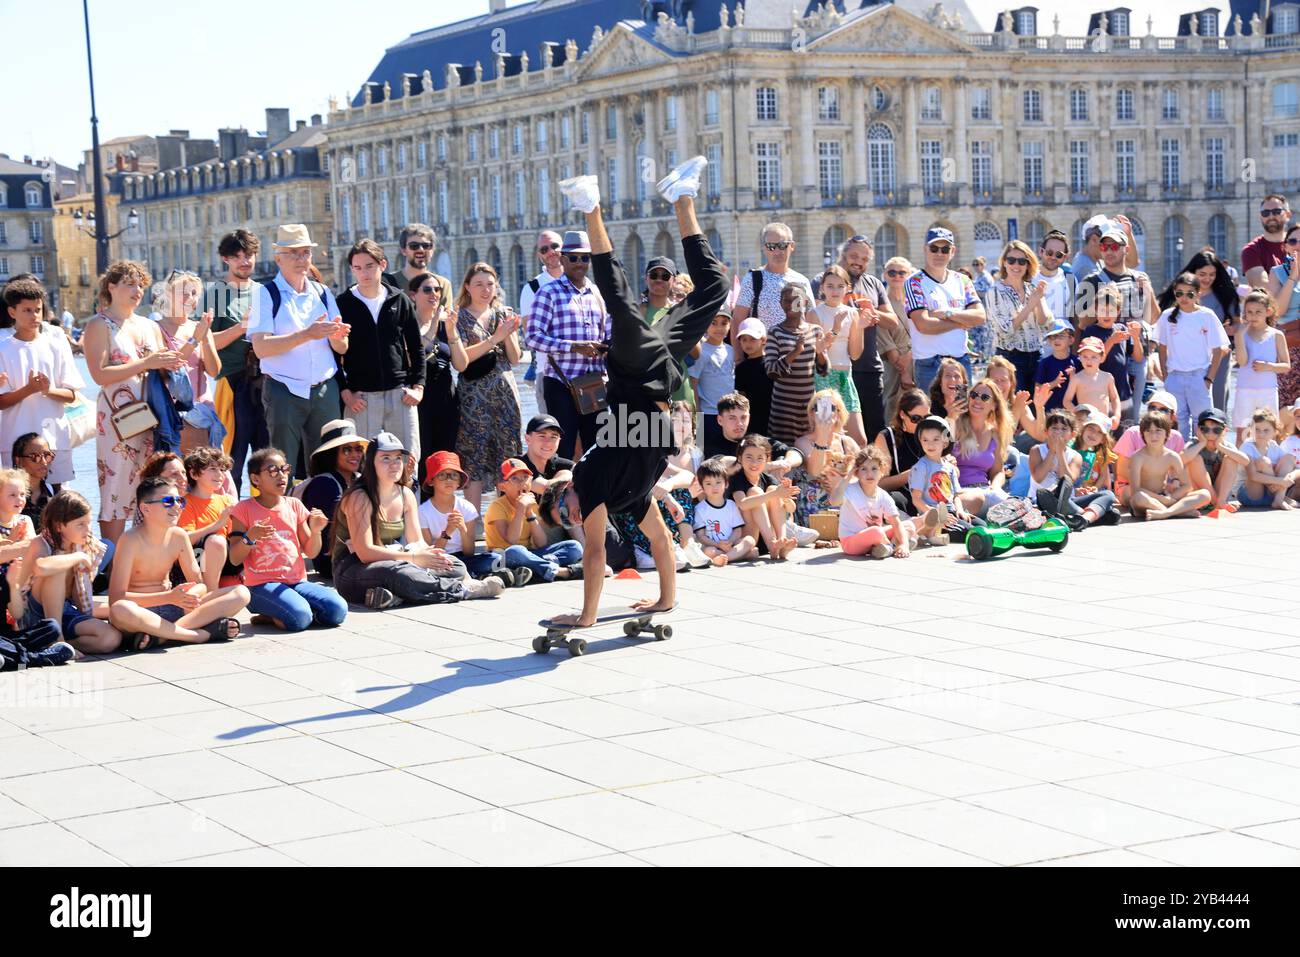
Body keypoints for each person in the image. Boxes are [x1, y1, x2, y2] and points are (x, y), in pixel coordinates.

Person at [549, 156, 729, 625]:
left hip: (632, 372)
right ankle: (681, 196)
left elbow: (594, 555)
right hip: (657, 375)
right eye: (572, 511)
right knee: (715, 286)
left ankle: (590, 206)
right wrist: (664, 602)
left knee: (622, 303)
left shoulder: (588, 479)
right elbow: (662, 541)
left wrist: (584, 619)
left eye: (567, 507)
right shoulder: (635, 495)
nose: (573, 511)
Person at [331, 433, 502, 609]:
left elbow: (416, 541)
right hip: (353, 570)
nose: (394, 464)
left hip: (394, 558)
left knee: (455, 565)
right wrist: (414, 558)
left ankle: (395, 596)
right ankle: (464, 590)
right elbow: (365, 553)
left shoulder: (406, 494)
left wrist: (431, 556)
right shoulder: (359, 497)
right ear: (370, 463)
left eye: (398, 458)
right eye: (385, 458)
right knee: (397, 574)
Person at [84, 261, 180, 544]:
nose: (137, 290)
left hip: (152, 416)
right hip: (118, 419)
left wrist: (170, 363)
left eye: (140, 284)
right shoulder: (99, 325)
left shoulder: (150, 325)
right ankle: (113, 563)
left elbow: (160, 367)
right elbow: (99, 374)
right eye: (129, 283)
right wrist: (147, 361)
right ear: (111, 287)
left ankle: (149, 557)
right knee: (115, 489)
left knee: (152, 485)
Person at [247, 224, 349, 483]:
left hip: (324, 389)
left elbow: (341, 348)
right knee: (281, 466)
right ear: (278, 258)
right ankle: (284, 519)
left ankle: (325, 519)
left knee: (328, 464)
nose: (301, 259)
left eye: (305, 253)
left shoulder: (323, 293)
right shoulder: (265, 294)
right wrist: (307, 334)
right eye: (293, 253)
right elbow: (261, 348)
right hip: (284, 389)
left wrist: (338, 338)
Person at [107, 476, 249, 649]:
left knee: (241, 593)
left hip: (175, 608)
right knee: (120, 610)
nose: (176, 506)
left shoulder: (179, 536)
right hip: (142, 613)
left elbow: (200, 584)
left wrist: (191, 596)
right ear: (145, 508)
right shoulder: (130, 540)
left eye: (179, 501)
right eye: (168, 501)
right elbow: (115, 598)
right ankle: (196, 635)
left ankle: (161, 638)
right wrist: (168, 597)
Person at [225, 447, 347, 631]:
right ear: (255, 479)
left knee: (338, 610)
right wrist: (249, 537)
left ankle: (280, 611)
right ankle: (284, 610)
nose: (281, 476)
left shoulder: (295, 505)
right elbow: (235, 558)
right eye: (273, 471)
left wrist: (316, 531)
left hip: (297, 582)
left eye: (284, 469)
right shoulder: (244, 509)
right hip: (260, 586)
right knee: (300, 618)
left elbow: (311, 551)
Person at [443, 261, 523, 519]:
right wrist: (494, 339)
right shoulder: (459, 317)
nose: (485, 290)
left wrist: (509, 332)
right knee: (474, 456)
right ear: (467, 286)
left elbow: (514, 358)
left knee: (507, 454)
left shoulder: (501, 314)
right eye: (479, 284)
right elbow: (460, 361)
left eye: (490, 284)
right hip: (474, 398)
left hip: (505, 394)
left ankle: (508, 520)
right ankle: (473, 521)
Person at [336, 239, 425, 465]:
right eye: (357, 268)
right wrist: (345, 391)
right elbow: (333, 353)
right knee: (361, 464)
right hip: (361, 397)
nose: (364, 273)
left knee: (408, 462)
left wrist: (418, 387)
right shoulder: (343, 304)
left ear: (382, 265)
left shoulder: (400, 300)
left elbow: (416, 347)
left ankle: (407, 501)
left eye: (369, 266)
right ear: (352, 270)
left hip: (400, 394)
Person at [524, 230, 610, 461]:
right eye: (573, 258)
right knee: (562, 448)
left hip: (594, 385)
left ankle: (591, 496)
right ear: (562, 259)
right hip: (561, 383)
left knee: (597, 450)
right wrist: (573, 346)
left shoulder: (597, 294)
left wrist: (605, 347)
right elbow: (532, 337)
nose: (579, 263)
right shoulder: (548, 292)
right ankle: (561, 496)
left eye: (585, 258)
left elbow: (609, 334)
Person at [0, 279, 83, 486]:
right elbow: (1, 401)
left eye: (37, 310)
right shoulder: (3, 347)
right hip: (14, 440)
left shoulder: (57, 343)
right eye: (27, 310)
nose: (34, 316)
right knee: (19, 500)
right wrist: (29, 389)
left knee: (58, 500)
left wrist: (48, 390)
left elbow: (71, 394)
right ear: (12, 312)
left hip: (55, 438)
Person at [16, 489, 120, 654]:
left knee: (110, 638)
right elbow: (42, 567)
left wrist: (90, 617)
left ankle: (60, 645)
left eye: (88, 523)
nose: (87, 530)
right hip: (32, 615)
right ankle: (56, 640)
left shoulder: (82, 545)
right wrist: (78, 556)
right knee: (57, 568)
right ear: (59, 526)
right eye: (80, 524)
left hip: (63, 609)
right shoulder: (41, 543)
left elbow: (79, 593)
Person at [814, 236, 896, 440]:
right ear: (843, 255)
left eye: (865, 259)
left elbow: (892, 321)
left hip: (868, 367)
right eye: (854, 256)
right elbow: (816, 320)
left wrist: (873, 312)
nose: (859, 261)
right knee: (832, 433)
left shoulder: (873, 283)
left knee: (872, 432)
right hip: (830, 372)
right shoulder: (823, 280)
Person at [205, 230, 267, 491]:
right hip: (232, 384)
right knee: (232, 459)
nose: (245, 261)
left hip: (265, 382)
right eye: (238, 256)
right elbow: (205, 342)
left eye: (249, 255)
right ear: (225, 259)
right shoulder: (216, 294)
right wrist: (242, 328)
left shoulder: (264, 291)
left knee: (267, 459)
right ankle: (230, 522)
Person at [418, 450, 523, 587]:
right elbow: (428, 554)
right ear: (432, 481)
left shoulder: (466, 507)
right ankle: (480, 576)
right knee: (430, 569)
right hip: (439, 560)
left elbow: (469, 552)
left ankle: (477, 576)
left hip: (464, 558)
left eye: (454, 475)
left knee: (495, 558)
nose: (449, 479)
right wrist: (447, 532)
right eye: (442, 475)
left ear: (459, 482)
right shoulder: (423, 511)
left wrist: (462, 529)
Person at [904, 228, 986, 390]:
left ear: (952, 251)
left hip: (960, 361)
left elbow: (980, 316)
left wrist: (947, 314)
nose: (939, 254)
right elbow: (924, 325)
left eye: (945, 249)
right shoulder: (914, 282)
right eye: (934, 248)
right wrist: (961, 322)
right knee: (933, 414)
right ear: (925, 250)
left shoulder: (962, 280)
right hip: (930, 363)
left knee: (962, 413)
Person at [1154, 272, 1231, 441]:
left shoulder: (1206, 315)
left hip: (1199, 375)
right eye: (1179, 293)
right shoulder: (1167, 316)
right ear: (1174, 293)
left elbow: (1219, 350)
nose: (1184, 298)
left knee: (1202, 421)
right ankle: (1181, 460)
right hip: (1175, 376)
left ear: (1198, 294)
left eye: (1190, 293)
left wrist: (1209, 379)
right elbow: (1162, 347)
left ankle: (1200, 460)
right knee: (1178, 421)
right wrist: (1166, 376)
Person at [154, 271, 221, 452]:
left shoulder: (198, 327)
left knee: (208, 471)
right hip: (174, 412)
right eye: (183, 293)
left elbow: (214, 371)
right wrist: (195, 339)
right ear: (169, 294)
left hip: (204, 410)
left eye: (193, 293)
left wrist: (205, 337)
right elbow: (169, 367)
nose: (189, 298)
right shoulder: (156, 328)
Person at [485, 458, 582, 582]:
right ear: (502, 487)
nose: (522, 483)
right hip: (503, 556)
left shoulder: (532, 505)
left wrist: (530, 513)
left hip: (528, 555)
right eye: (514, 479)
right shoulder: (497, 506)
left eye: (525, 477)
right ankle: (558, 571)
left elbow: (541, 543)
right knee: (516, 550)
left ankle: (534, 569)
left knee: (574, 547)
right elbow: (512, 540)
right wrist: (520, 509)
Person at [292, 420, 366, 579]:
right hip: (331, 559)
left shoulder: (358, 479)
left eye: (358, 449)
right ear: (332, 453)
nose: (354, 454)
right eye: (346, 450)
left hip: (356, 549)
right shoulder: (324, 484)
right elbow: (341, 525)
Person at [407, 271, 459, 487]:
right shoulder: (407, 325)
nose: (434, 294)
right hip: (420, 400)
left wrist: (452, 331)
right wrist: (436, 320)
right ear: (413, 295)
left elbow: (461, 364)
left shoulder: (446, 326)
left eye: (437, 289)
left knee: (445, 458)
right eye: (427, 289)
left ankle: (443, 509)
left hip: (446, 399)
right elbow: (414, 353)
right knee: (423, 456)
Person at [811, 265, 867, 444]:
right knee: (827, 437)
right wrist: (835, 329)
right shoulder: (814, 313)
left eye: (840, 286)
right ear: (822, 288)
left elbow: (856, 354)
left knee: (859, 439)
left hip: (846, 377)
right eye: (830, 286)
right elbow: (817, 351)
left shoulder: (852, 313)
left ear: (848, 288)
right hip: (823, 380)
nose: (835, 291)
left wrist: (861, 328)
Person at [765, 284, 827, 445]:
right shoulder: (775, 332)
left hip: (808, 408)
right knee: (783, 455)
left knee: (809, 454)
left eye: (796, 300)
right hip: (783, 409)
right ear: (780, 303)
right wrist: (795, 352)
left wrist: (820, 353)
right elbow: (771, 371)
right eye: (786, 300)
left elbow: (824, 371)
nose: (790, 304)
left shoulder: (816, 331)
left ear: (805, 301)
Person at [730, 222, 814, 339]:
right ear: (764, 248)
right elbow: (737, 320)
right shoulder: (752, 279)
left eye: (782, 245)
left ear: (792, 246)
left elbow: (811, 320)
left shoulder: (802, 281)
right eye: (771, 246)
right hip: (762, 353)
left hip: (796, 351)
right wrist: (739, 356)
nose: (777, 251)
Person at [987, 241, 1052, 393]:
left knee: (1036, 408)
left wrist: (1038, 301)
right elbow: (1005, 330)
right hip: (1010, 358)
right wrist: (1030, 305)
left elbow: (1045, 323)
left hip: (1036, 355)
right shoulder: (995, 291)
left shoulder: (1031, 288)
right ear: (1004, 262)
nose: (1016, 265)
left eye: (1022, 261)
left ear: (1028, 265)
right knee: (1015, 409)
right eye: (1011, 260)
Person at [790, 389, 859, 527]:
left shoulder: (847, 443)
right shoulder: (803, 442)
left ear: (839, 413)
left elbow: (863, 474)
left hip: (845, 503)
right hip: (815, 510)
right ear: (811, 413)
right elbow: (815, 472)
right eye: (819, 407)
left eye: (832, 408)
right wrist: (822, 435)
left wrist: (843, 482)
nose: (826, 411)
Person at [1126, 411, 1212, 520]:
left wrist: (1171, 497)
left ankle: (1165, 513)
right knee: (1139, 498)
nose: (1153, 436)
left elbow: (1187, 485)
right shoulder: (1137, 457)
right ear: (1142, 434)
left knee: (1205, 494)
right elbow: (1136, 490)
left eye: (1158, 431)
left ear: (1167, 434)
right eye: (1148, 431)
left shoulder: (1172, 456)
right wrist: (1163, 500)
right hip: (1146, 501)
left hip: (1165, 497)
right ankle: (1178, 512)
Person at [837, 445, 919, 559]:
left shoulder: (883, 496)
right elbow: (833, 501)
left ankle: (890, 547)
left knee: (909, 525)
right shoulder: (850, 490)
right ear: (857, 472)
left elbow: (896, 523)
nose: (869, 474)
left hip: (876, 537)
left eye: (874, 468)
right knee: (876, 531)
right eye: (863, 469)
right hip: (851, 542)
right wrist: (849, 474)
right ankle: (892, 546)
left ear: (882, 471)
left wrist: (904, 545)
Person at [1079, 282, 1143, 425]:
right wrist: (1111, 341)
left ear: (1118, 311)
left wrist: (1136, 337)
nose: (1106, 314)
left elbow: (1138, 357)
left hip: (1123, 392)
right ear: (1096, 310)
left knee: (1124, 436)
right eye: (1102, 310)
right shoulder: (1091, 331)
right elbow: (1096, 361)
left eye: (1111, 310)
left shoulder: (1121, 328)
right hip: (1101, 396)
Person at [1074, 224, 1157, 333]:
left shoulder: (1139, 279)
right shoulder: (1091, 281)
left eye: (1114, 247)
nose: (1109, 252)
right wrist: (1103, 297)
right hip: (1107, 348)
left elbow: (1152, 319)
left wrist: (1149, 293)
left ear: (1126, 249)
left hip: (1136, 347)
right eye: (1104, 247)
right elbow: (1082, 324)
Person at [177, 446, 238, 593]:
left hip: (224, 560)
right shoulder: (185, 503)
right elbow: (183, 540)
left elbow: (236, 539)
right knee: (216, 541)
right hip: (196, 560)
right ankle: (210, 594)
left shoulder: (228, 501)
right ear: (194, 474)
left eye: (222, 469)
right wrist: (217, 525)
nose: (220, 474)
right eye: (212, 469)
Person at [519, 229, 566, 416]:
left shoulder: (581, 282)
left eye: (555, 246)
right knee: (554, 434)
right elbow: (530, 334)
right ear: (540, 256)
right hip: (548, 371)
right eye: (545, 249)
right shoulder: (532, 288)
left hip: (583, 372)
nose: (551, 252)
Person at [950, 377, 1013, 515]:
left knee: (1015, 506)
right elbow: (939, 451)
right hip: (960, 493)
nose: (977, 400)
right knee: (976, 499)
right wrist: (952, 417)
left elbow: (998, 471)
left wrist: (995, 487)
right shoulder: (955, 425)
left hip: (986, 490)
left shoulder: (995, 433)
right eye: (973, 395)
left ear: (994, 405)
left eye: (984, 397)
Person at [1233, 290, 1290, 441]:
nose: (1253, 316)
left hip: (1268, 389)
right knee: (1243, 432)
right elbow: (1242, 361)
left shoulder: (1276, 335)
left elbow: (1286, 365)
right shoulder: (1242, 334)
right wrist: (1238, 336)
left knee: (1269, 431)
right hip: (1244, 389)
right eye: (1249, 312)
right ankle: (1241, 463)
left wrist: (1268, 366)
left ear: (1268, 312)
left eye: (1258, 312)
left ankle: (1267, 462)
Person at [1114, 391, 1183, 507]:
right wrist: (1152, 492)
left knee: (1202, 494)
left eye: (1163, 410)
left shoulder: (1176, 437)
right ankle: (1169, 509)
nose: (1156, 411)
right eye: (1152, 407)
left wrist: (1175, 481)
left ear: (1172, 417)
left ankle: (1161, 507)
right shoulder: (1132, 433)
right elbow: (1122, 471)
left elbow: (1177, 470)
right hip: (1130, 487)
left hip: (1161, 489)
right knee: (1137, 497)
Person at [907, 415, 971, 542]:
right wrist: (938, 514)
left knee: (982, 526)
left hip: (951, 512)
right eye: (925, 440)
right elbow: (916, 499)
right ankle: (930, 532)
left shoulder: (950, 467)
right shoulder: (920, 467)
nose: (930, 444)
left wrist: (960, 511)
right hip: (934, 516)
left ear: (945, 442)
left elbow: (956, 495)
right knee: (969, 533)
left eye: (936, 439)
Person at [874, 387, 931, 514]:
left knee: (978, 526)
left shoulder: (933, 434)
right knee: (894, 499)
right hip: (904, 499)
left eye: (926, 417)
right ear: (902, 414)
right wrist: (914, 472)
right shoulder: (887, 437)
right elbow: (880, 484)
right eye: (916, 419)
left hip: (932, 496)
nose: (922, 423)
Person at [1182, 407, 1249, 513]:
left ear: (1225, 431)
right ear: (1198, 430)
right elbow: (1181, 459)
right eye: (1205, 429)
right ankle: (1216, 503)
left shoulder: (1225, 446)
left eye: (1216, 430)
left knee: (1231, 459)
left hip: (1218, 493)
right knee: (1195, 459)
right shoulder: (1194, 444)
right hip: (1199, 494)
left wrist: (1221, 447)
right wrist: (1202, 443)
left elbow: (1245, 461)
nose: (1210, 434)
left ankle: (1220, 501)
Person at [691, 457, 756, 566]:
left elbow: (737, 531)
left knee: (749, 540)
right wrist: (718, 544)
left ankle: (725, 558)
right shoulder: (700, 509)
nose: (714, 487)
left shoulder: (731, 505)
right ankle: (739, 555)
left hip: (731, 544)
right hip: (713, 546)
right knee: (709, 551)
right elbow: (701, 536)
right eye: (708, 484)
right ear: (702, 486)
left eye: (718, 482)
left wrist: (729, 542)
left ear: (726, 484)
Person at [689, 311, 735, 453]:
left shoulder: (731, 350)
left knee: (729, 454)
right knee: (708, 456)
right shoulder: (701, 351)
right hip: (708, 414)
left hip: (729, 414)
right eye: (713, 323)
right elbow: (693, 383)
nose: (719, 328)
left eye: (724, 323)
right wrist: (698, 415)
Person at [1265, 223, 1300, 408]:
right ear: (1285, 246)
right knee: (1286, 405)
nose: (1297, 245)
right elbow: (1278, 310)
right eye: (1293, 241)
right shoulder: (1277, 273)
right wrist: (1293, 276)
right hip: (1289, 346)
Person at [879, 256, 916, 422]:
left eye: (902, 273)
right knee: (891, 405)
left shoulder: (916, 301)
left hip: (917, 358)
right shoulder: (881, 304)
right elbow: (885, 340)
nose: (897, 276)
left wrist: (910, 356)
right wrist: (904, 372)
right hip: (893, 365)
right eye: (892, 272)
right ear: (885, 275)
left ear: (909, 275)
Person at [1239, 408, 1299, 510]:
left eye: (1266, 430)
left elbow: (1290, 465)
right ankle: (1282, 498)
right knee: (1264, 462)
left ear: (1275, 432)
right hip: (1251, 494)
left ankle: (1279, 499)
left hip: (1271, 495)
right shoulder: (1247, 446)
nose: (1261, 434)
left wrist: (1287, 479)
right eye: (1257, 429)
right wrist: (1280, 481)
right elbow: (1253, 476)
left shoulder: (1274, 446)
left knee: (1289, 458)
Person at [383, 224, 454, 310]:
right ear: (403, 250)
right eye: (414, 246)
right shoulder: (387, 283)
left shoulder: (442, 284)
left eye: (426, 246)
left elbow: (447, 320)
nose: (421, 249)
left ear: (432, 250)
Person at [730, 318, 772, 447]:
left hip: (773, 417)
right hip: (752, 418)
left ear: (763, 340)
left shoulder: (772, 364)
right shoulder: (742, 368)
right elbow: (741, 396)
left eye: (753, 339)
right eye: (744, 339)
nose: (748, 343)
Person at [1063, 337, 1121, 429]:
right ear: (1080, 357)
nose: (1089, 360)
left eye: (1094, 357)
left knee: (1103, 443)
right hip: (1085, 423)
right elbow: (1066, 401)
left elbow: (1115, 398)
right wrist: (1077, 413)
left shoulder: (1108, 377)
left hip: (1103, 422)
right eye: (1085, 356)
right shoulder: (1077, 378)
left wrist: (1117, 415)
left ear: (1102, 357)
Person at [1242, 194, 1291, 288]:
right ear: (1260, 217)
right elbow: (1265, 289)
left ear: (1288, 215)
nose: (1271, 216)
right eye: (1265, 213)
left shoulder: (1296, 243)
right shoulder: (1251, 250)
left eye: (1277, 211)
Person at [1036, 229, 1077, 330]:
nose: (1053, 257)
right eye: (1049, 253)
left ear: (1065, 257)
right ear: (1041, 252)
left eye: (1059, 255)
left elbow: (1075, 319)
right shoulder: (1027, 278)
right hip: (1034, 344)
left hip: (1061, 344)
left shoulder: (1070, 280)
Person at [12, 433, 54, 530]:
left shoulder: (51, 492)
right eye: (34, 456)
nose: (44, 462)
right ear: (18, 460)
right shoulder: (6, 492)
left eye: (47, 455)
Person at [928, 356, 969, 420]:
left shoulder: (971, 407)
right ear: (940, 382)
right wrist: (950, 418)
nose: (952, 379)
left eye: (957, 376)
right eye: (948, 375)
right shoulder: (930, 409)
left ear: (963, 382)